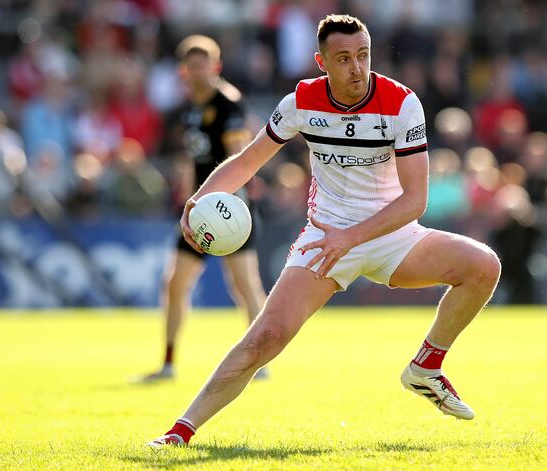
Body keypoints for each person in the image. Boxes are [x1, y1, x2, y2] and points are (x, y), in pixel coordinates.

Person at [147, 15, 501, 447]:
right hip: (324, 237)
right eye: (344, 59)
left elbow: (414, 201)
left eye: (364, 56)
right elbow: (246, 162)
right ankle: (180, 432)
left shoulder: (401, 103)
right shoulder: (300, 102)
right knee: (265, 337)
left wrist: (351, 239)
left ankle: (426, 367)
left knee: (483, 266)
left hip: (391, 234)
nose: (357, 68)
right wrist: (198, 199)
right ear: (322, 62)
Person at [137, 35, 268, 382]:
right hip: (197, 208)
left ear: (216, 66)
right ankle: (167, 362)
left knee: (244, 284)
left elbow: (239, 158)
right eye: (192, 66)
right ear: (183, 71)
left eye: (204, 64)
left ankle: (262, 360)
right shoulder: (190, 108)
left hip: (229, 207)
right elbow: (190, 157)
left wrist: (232, 209)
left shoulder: (229, 104)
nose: (199, 72)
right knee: (175, 283)